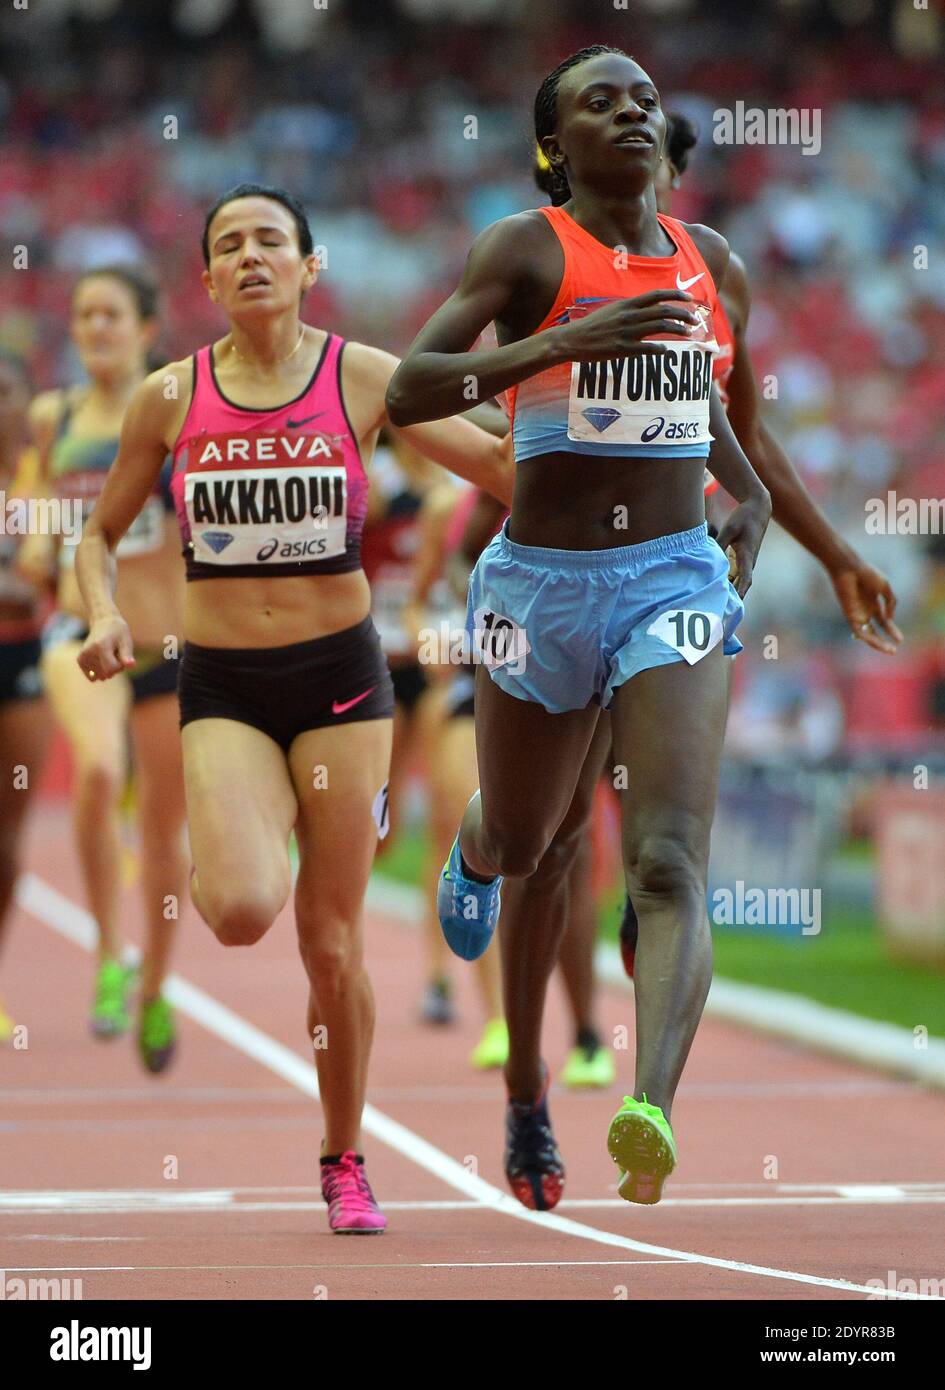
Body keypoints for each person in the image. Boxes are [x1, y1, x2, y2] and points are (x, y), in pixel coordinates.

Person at [73, 183, 512, 1234]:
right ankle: (235, 838)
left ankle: (343, 1155)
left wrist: (574, 430)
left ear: (310, 267)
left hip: (343, 683)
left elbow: (495, 461)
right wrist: (99, 613)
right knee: (234, 911)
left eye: (273, 239)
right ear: (210, 278)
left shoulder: (361, 374)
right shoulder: (168, 399)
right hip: (222, 681)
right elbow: (96, 536)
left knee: (330, 943)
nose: (252, 255)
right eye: (230, 245)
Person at [387, 45, 772, 1210]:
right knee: (528, 835)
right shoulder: (524, 248)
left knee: (663, 857)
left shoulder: (710, 263)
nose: (632, 113)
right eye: (599, 102)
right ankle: (475, 864)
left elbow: (699, 402)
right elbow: (410, 388)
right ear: (556, 146)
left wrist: (747, 497)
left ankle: (647, 1105)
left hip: (672, 580)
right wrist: (559, 345)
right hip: (536, 585)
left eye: (645, 98)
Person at [24, 268, 187, 1071]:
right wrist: (37, 543)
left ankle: (155, 988)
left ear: (147, 324)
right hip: (77, 633)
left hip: (167, 644)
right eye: (83, 315)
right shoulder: (50, 416)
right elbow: (36, 519)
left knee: (163, 833)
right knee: (96, 769)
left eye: (111, 315)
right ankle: (108, 954)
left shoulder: (181, 406)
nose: (94, 328)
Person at [0, 352, 51, 1042]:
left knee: (9, 836)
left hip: (23, 662)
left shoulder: (44, 484)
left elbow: (39, 587)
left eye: (5, 389)